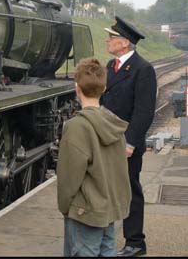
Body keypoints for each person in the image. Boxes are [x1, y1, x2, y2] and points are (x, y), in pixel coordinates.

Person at [57, 58, 132, 257]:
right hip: (108, 207)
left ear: (76, 88)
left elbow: (69, 176)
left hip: (85, 211)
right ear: (104, 88)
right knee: (108, 250)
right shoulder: (114, 124)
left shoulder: (76, 127)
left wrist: (65, 206)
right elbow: (120, 168)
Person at [99, 16, 157, 257]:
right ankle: (106, 239)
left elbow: (144, 112)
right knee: (106, 190)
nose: (107, 40)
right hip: (106, 140)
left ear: (124, 43)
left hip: (125, 143)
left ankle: (135, 242)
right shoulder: (110, 67)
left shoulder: (143, 70)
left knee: (130, 191)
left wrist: (131, 142)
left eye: (111, 37)